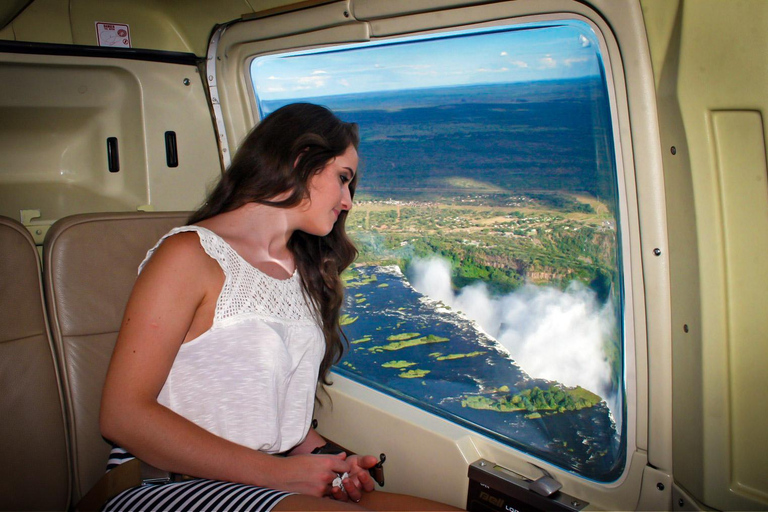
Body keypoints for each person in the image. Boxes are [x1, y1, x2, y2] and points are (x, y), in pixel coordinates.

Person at [99, 103, 460, 511]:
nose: (348, 201)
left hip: (263, 481)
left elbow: (267, 417)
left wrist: (329, 464)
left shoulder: (302, 271)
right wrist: (278, 474)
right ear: (302, 160)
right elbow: (122, 415)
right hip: (165, 483)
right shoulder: (188, 255)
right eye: (343, 179)